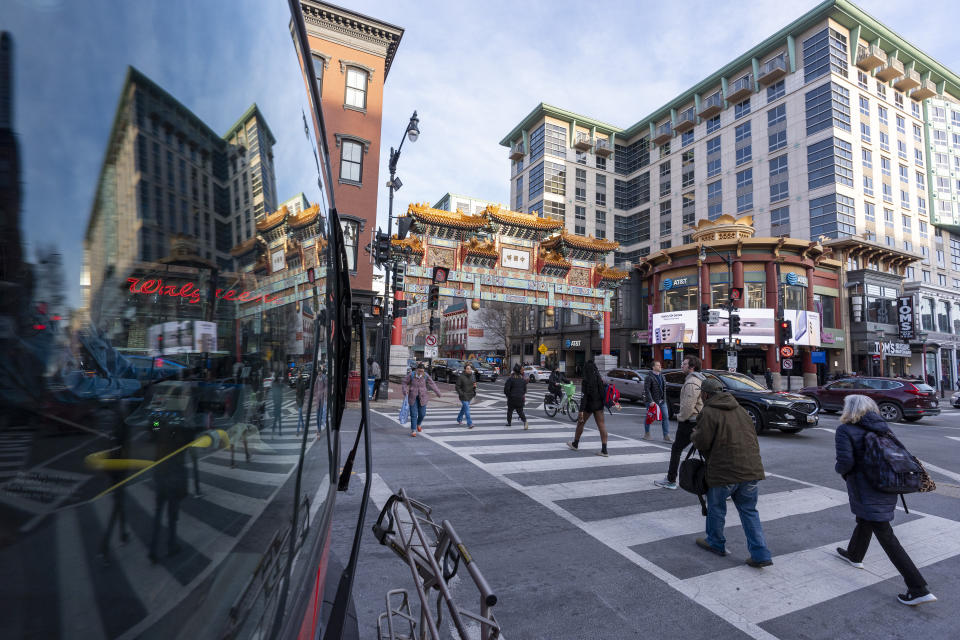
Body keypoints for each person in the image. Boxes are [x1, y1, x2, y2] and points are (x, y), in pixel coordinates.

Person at [834, 394, 937, 606]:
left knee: (885, 534)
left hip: (865, 487)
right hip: (888, 484)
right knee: (867, 519)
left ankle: (918, 587)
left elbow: (845, 462)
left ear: (849, 409)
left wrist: (842, 472)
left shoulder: (845, 429)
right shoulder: (882, 427)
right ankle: (854, 554)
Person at [691, 378, 772, 567]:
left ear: (706, 394)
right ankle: (761, 553)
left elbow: (702, 442)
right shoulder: (741, 410)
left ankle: (715, 542)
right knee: (749, 511)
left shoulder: (708, 412)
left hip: (724, 470)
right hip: (751, 469)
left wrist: (694, 433)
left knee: (717, 507)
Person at [655, 355, 705, 489]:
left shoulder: (691, 383)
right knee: (706, 452)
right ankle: (722, 484)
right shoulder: (699, 380)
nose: (682, 366)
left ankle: (671, 480)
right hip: (698, 420)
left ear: (691, 367)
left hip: (690, 422)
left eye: (684, 364)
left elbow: (689, 405)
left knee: (676, 449)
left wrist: (680, 417)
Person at [567, 360, 609, 456]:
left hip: (588, 406)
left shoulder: (586, 380)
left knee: (580, 423)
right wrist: (603, 404)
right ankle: (604, 450)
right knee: (602, 426)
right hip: (598, 405)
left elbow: (584, 396)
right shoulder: (598, 377)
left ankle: (575, 444)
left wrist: (581, 411)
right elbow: (602, 392)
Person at [401, 363, 442, 437]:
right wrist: (404, 390)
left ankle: (418, 424)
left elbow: (432, 384)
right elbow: (404, 382)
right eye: (419, 371)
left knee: (422, 414)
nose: (421, 373)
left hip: (423, 397)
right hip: (412, 397)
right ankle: (413, 430)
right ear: (416, 370)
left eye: (422, 371)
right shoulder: (411, 375)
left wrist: (438, 392)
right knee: (413, 414)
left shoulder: (425, 375)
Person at [643, 361, 670, 441]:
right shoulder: (649, 377)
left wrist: (664, 399)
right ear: (653, 367)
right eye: (658, 365)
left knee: (665, 417)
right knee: (650, 417)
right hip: (652, 402)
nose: (660, 366)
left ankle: (666, 436)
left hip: (662, 401)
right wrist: (651, 401)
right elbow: (647, 390)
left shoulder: (662, 376)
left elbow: (663, 389)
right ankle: (647, 433)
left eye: (660, 365)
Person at [503, 364, 529, 429]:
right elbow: (524, 390)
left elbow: (506, 389)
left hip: (512, 398)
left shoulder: (511, 379)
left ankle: (509, 422)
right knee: (520, 411)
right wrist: (521, 395)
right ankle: (525, 422)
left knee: (510, 410)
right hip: (520, 398)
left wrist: (508, 395)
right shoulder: (522, 380)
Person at [455, 363, 477, 429]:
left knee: (464, 408)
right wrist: (461, 394)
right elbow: (457, 387)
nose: (469, 370)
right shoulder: (461, 377)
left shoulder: (473, 376)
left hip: (470, 395)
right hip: (463, 396)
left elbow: (474, 384)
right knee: (467, 409)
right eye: (467, 369)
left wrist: (474, 387)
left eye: (470, 369)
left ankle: (459, 419)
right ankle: (470, 423)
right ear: (465, 369)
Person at [270, 368, 284, 436]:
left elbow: (273, 394)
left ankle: (274, 432)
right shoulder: (278, 384)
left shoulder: (273, 384)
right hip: (278, 404)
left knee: (276, 419)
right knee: (279, 419)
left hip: (276, 404)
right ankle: (279, 432)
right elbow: (282, 387)